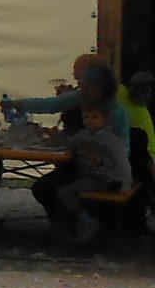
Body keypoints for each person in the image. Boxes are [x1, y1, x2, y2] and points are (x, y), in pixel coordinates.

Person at [31, 64, 131, 243]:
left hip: (106, 176)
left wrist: (103, 162)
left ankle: (79, 225)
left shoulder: (111, 120)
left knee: (58, 188)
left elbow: (122, 153)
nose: (79, 87)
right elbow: (51, 107)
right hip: (88, 169)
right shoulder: (87, 122)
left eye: (85, 84)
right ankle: (70, 227)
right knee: (54, 186)